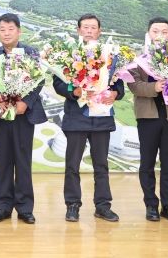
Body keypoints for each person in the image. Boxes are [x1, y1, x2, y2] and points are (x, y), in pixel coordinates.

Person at [53, 14, 125, 223]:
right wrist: (73, 91)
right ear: (78, 31)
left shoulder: (110, 55)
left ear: (99, 31)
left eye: (93, 27)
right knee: (72, 165)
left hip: (101, 116)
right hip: (77, 117)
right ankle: (72, 205)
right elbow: (58, 83)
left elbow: (118, 83)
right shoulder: (68, 54)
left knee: (101, 165)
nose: (89, 31)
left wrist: (116, 93)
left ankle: (103, 206)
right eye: (85, 27)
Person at [0, 13, 47, 224]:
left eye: (11, 29)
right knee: (3, 162)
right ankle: (3, 207)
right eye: (2, 29)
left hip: (23, 115)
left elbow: (38, 81)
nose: (6, 33)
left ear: (19, 31)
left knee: (23, 161)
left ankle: (25, 208)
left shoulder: (30, 52)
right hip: (1, 113)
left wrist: (25, 102)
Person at [127, 17, 168, 223]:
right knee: (147, 163)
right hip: (148, 116)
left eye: (164, 32)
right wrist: (153, 87)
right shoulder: (138, 59)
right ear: (149, 34)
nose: (160, 35)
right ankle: (151, 205)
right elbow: (134, 85)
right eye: (156, 31)